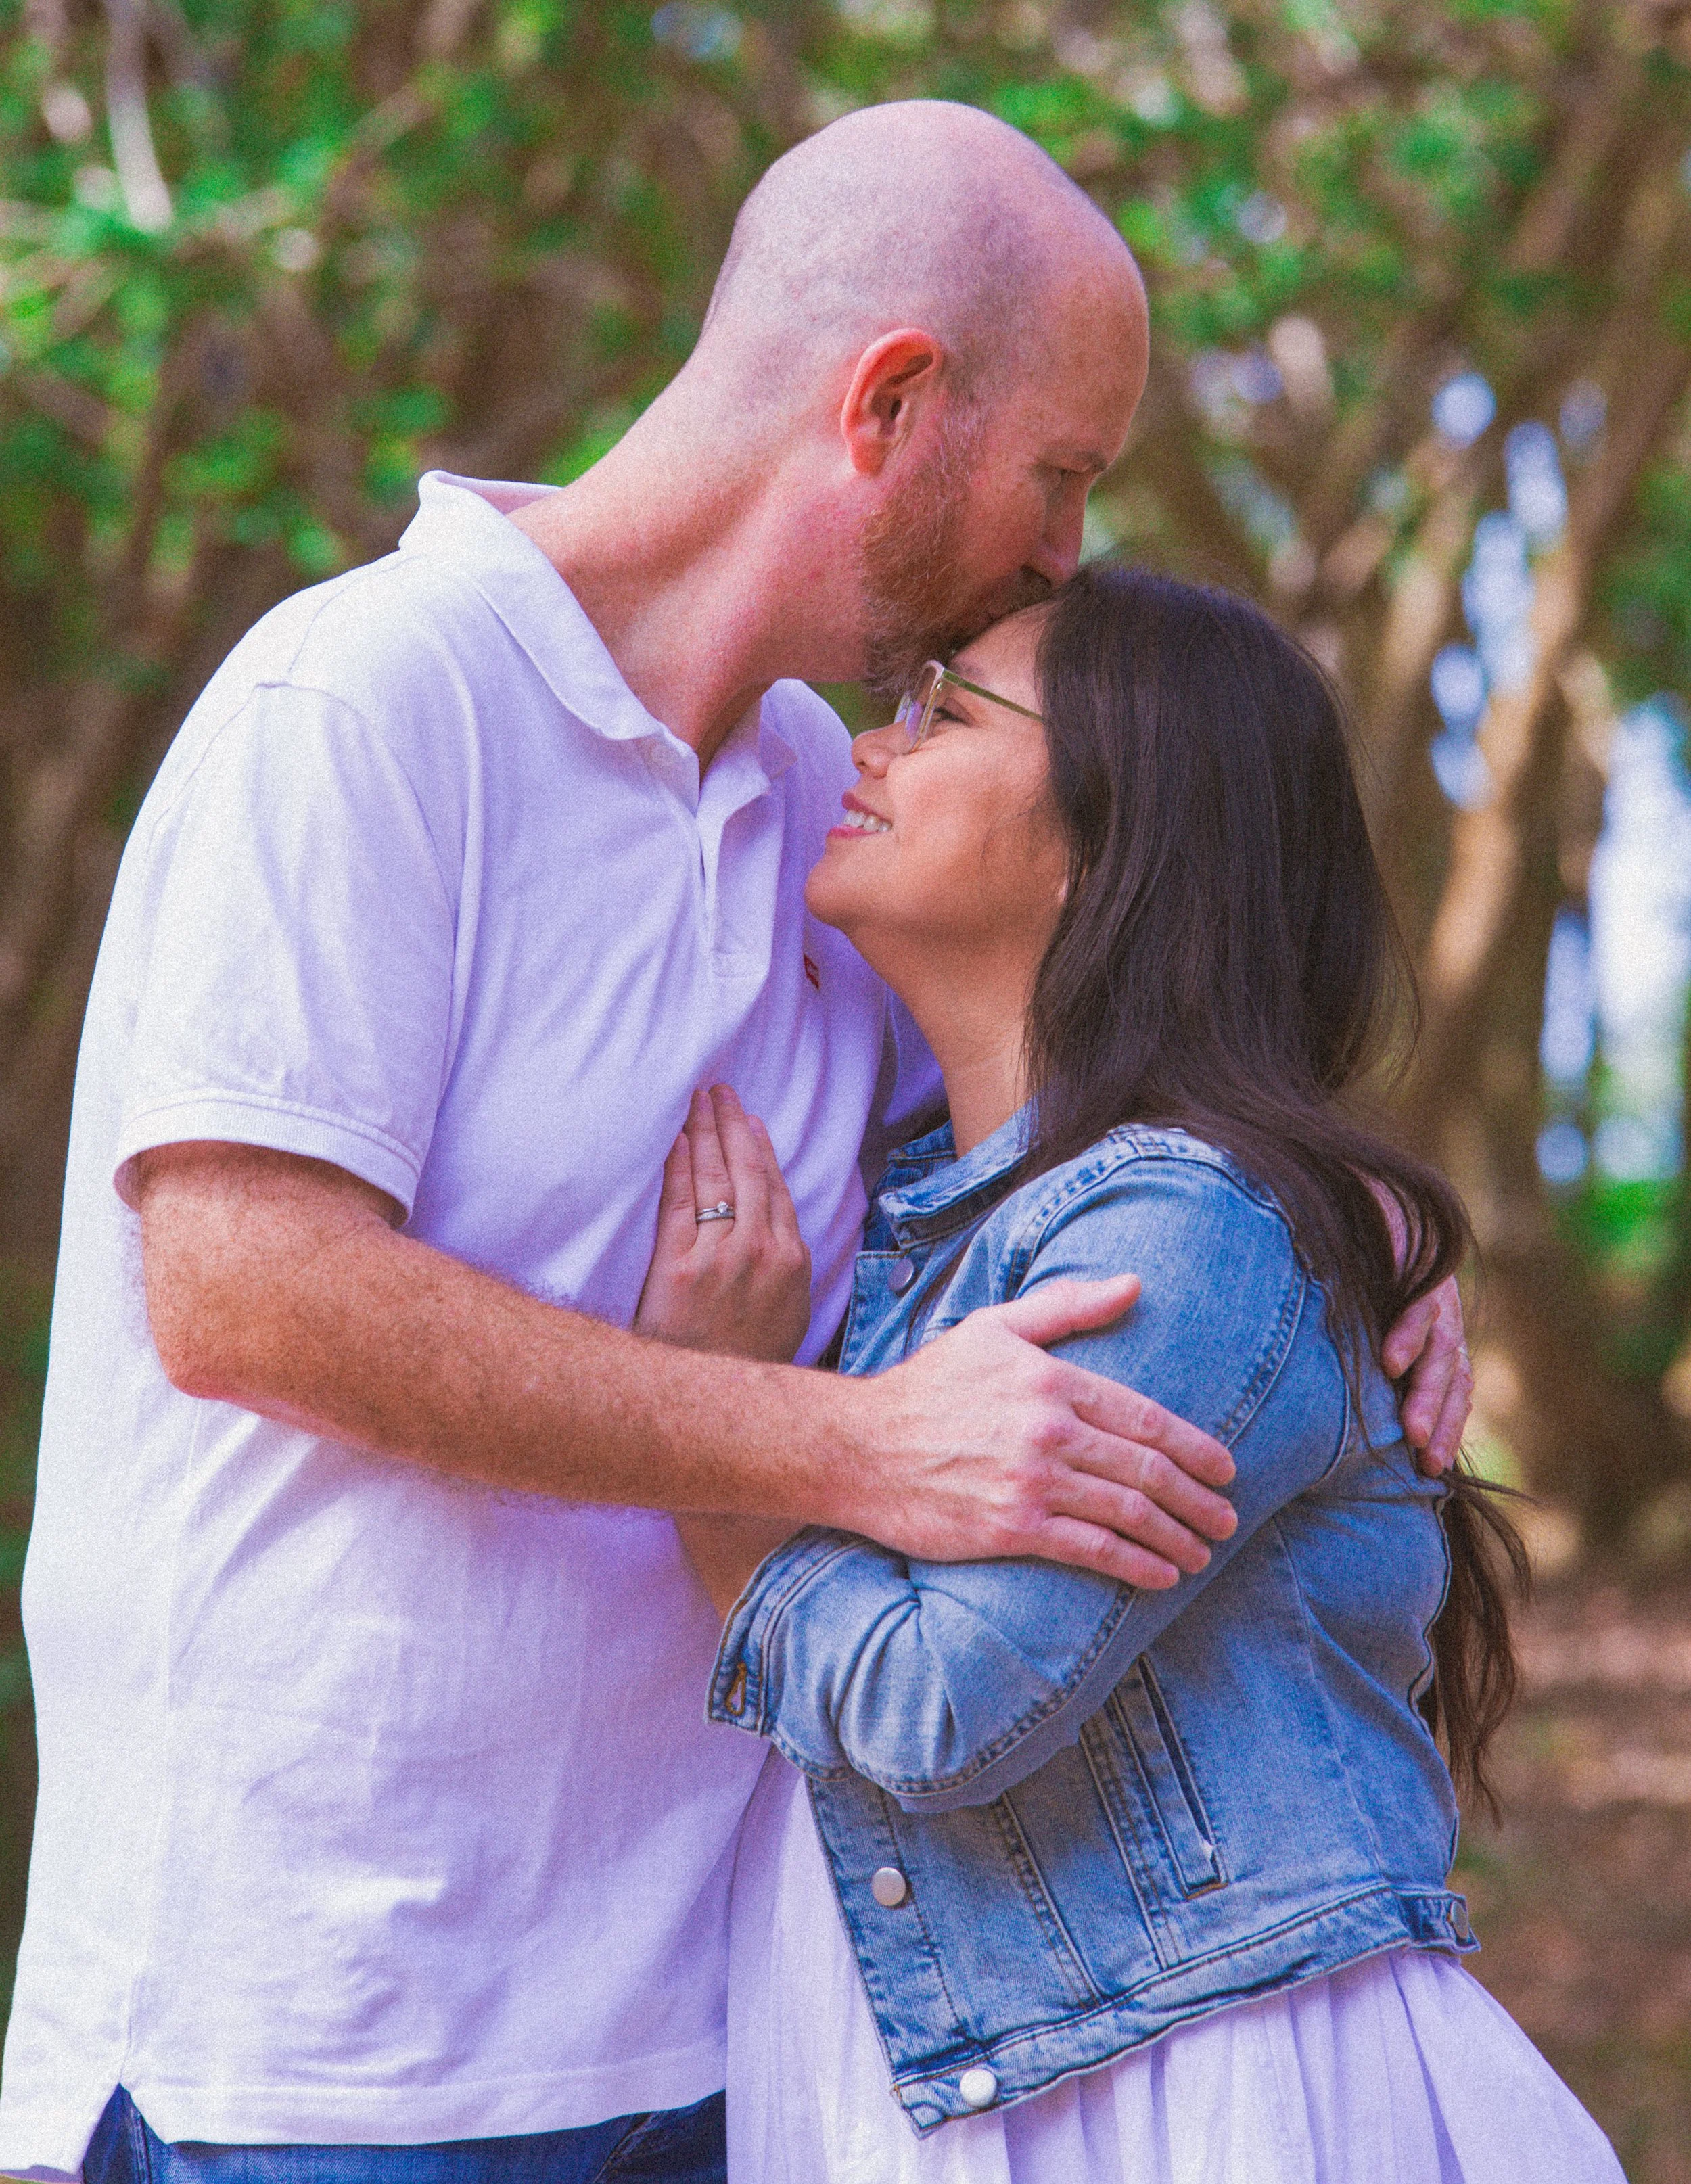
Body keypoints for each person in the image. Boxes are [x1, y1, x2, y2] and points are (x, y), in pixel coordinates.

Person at [0, 102, 1468, 2184]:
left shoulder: (821, 802)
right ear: (888, 405)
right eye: (1058, 473)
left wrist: (1380, 1234)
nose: (1066, 552)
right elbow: (246, 1289)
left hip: (719, 2036)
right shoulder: (363, 706)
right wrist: (845, 1442)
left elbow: (1103, 1083)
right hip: (330, 2055)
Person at [638, 568, 1622, 2182]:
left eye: (945, 713)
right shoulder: (930, 1215)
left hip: (1188, 2099)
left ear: (1113, 837)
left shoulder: (1178, 1229)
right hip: (957, 2081)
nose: (870, 754)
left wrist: (715, 1453)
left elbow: (941, 1703)